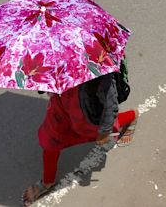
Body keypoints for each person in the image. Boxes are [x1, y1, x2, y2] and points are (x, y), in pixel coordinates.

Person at [22, 73, 139, 206]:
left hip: (85, 112)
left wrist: (105, 131)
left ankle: (132, 115)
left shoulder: (100, 72)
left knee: (99, 131)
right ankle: (48, 181)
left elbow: (110, 105)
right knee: (51, 139)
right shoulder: (58, 55)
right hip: (61, 105)